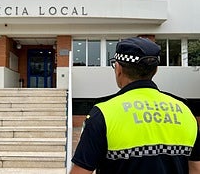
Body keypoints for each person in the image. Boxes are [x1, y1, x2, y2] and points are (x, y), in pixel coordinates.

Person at [70, 37, 200, 174]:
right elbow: (196, 169)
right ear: (155, 70)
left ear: (118, 68)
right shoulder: (185, 112)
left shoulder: (103, 113)